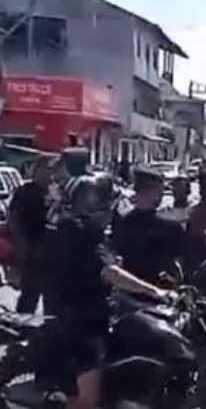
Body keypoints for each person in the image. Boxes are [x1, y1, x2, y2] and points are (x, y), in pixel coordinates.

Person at [39, 173, 173, 409]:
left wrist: (142, 305)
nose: (112, 214)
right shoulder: (80, 234)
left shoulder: (68, 229)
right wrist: (156, 292)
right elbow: (110, 272)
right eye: (109, 206)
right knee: (89, 400)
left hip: (83, 318)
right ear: (95, 206)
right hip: (80, 328)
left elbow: (99, 280)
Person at [111, 167, 187, 287]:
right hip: (161, 289)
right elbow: (179, 262)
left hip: (129, 287)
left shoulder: (122, 220)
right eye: (160, 190)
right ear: (153, 191)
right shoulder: (169, 224)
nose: (162, 194)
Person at [9, 156, 53, 313]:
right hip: (32, 250)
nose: (49, 174)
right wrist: (21, 244)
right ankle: (22, 323)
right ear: (36, 171)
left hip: (54, 252)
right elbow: (13, 218)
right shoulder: (25, 192)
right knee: (29, 294)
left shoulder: (59, 192)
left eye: (51, 170)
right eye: (45, 169)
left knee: (53, 297)